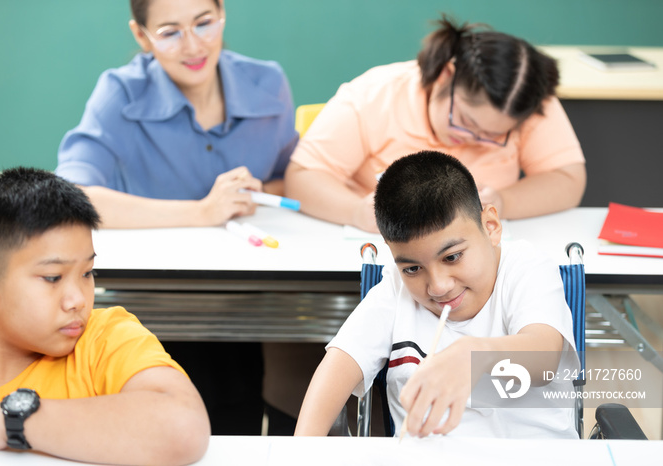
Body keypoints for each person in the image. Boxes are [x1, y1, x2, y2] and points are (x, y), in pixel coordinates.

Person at [56, 0, 299, 434]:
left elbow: (291, 180)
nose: (193, 45)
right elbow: (72, 195)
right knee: (169, 421)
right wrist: (202, 212)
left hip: (249, 298)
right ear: (141, 35)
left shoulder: (269, 83)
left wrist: (261, 192)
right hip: (153, 302)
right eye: (169, 32)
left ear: (223, 13)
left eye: (205, 23)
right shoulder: (120, 92)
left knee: (238, 416)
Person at [294, 151, 580, 438]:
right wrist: (301, 451)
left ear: (490, 227)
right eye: (413, 268)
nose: (438, 286)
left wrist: (472, 355)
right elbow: (340, 363)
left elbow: (544, 357)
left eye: (452, 257)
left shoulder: (525, 267)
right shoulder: (396, 288)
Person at [0, 168, 210, 465]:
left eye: (86, 273)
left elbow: (182, 426)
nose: (78, 300)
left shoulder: (105, 337)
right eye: (53, 277)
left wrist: (2, 421)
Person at [285, 16, 586, 233]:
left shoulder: (526, 103)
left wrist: (505, 201)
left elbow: (567, 179)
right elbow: (302, 177)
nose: (472, 139)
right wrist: (356, 212)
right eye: (465, 121)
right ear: (446, 76)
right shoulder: (373, 95)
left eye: (493, 135)